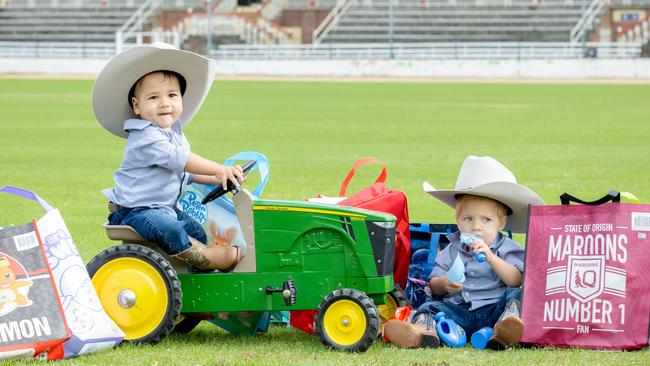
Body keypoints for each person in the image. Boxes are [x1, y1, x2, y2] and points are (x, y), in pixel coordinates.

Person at [92, 42, 243, 272]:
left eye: (172, 95)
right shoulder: (145, 137)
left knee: (196, 230)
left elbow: (188, 172)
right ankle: (206, 258)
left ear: (181, 99)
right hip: (134, 211)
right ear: (137, 106)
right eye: (153, 97)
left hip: (164, 208)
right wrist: (217, 168)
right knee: (170, 228)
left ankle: (198, 290)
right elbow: (181, 159)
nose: (164, 103)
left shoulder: (174, 135)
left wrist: (220, 179)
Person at [383, 156, 544, 349]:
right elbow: (433, 285)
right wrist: (444, 284)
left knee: (517, 295)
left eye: (486, 220)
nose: (476, 227)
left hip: (494, 311)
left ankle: (505, 330)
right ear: (458, 219)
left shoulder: (505, 247)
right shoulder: (452, 248)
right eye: (468, 218)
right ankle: (421, 332)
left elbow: (516, 280)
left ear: (501, 223)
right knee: (429, 307)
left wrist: (491, 258)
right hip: (459, 312)